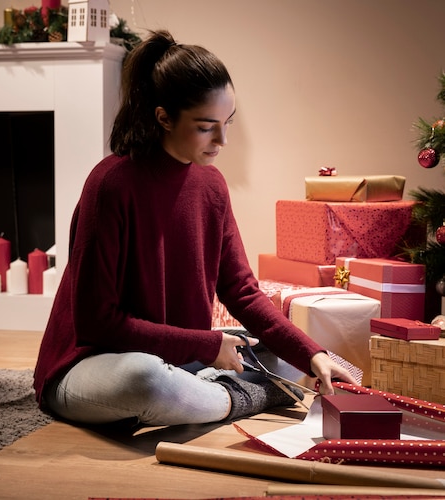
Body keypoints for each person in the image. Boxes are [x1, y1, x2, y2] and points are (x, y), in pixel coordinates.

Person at [33, 30, 357, 426]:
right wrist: (206, 345)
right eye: (206, 126)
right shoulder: (110, 184)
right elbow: (97, 323)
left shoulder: (212, 186)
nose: (222, 140)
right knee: (146, 379)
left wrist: (313, 354)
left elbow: (242, 291)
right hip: (92, 365)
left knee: (276, 355)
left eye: (227, 123)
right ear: (164, 117)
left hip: (182, 361)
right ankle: (239, 396)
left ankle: (213, 393)